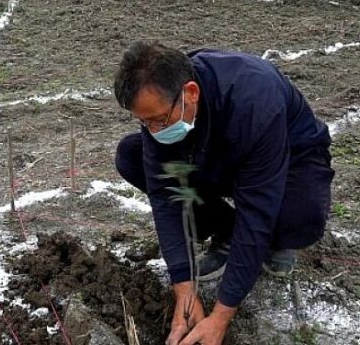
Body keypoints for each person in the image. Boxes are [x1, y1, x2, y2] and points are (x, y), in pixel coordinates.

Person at [113, 41, 334, 345]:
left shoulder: (255, 99)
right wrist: (185, 294)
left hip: (288, 156)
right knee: (131, 156)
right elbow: (165, 197)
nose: (153, 130)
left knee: (298, 218)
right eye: (144, 122)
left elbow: (257, 208)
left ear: (190, 93)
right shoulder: (163, 107)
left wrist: (220, 317)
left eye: (159, 120)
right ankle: (228, 230)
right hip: (216, 152)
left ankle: (274, 240)